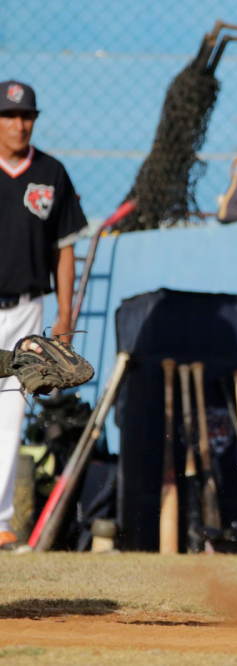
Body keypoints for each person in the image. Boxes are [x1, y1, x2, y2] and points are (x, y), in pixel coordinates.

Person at [0, 81, 87, 549]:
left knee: (11, 408)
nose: (19, 123)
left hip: (27, 309)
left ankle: (0, 522)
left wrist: (65, 314)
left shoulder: (51, 172)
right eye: (9, 115)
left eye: (26, 115)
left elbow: (65, 248)